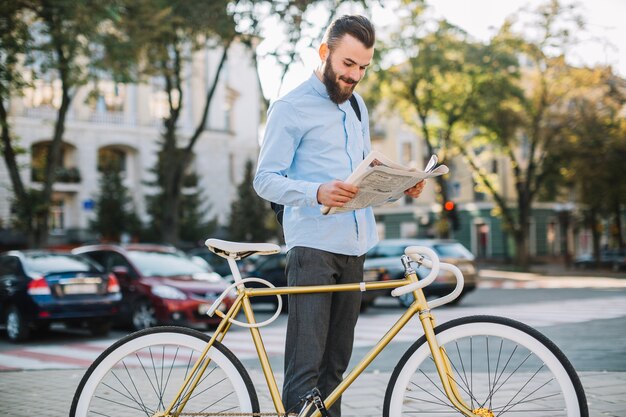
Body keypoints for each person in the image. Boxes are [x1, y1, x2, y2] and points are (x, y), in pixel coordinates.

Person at [254, 15, 425, 416]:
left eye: (363, 67)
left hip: (356, 245)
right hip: (312, 247)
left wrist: (402, 186)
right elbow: (264, 180)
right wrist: (316, 191)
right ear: (325, 52)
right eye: (348, 64)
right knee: (305, 372)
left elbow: (361, 180)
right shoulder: (290, 107)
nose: (354, 76)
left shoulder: (358, 106)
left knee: (336, 370)